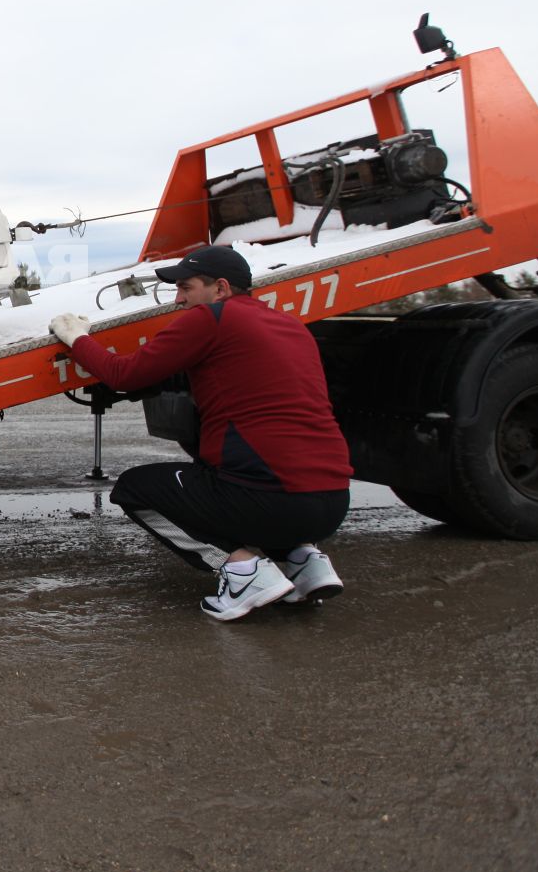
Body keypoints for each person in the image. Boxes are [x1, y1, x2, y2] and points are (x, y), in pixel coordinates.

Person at [46, 245, 352, 621]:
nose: (178, 301)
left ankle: (243, 572)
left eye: (186, 288)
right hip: (333, 504)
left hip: (273, 503)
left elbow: (124, 375)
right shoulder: (290, 325)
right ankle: (303, 560)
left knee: (135, 488)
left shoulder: (211, 319)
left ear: (220, 289)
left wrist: (77, 337)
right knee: (231, 468)